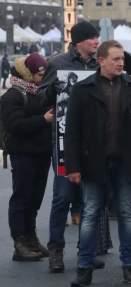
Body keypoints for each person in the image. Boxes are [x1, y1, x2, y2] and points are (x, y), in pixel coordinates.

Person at [65, 40, 131, 287]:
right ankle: (84, 267)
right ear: (101, 61)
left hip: (125, 162)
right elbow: (72, 131)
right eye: (116, 59)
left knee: (125, 212)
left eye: (122, 59)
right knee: (91, 212)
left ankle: (129, 266)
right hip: (93, 162)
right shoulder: (84, 89)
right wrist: (72, 166)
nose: (121, 63)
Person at [37, 20, 101, 273]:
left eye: (97, 37)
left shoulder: (99, 65)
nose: (96, 41)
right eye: (92, 38)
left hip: (94, 141)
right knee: (62, 196)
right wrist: (53, 90)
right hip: (64, 140)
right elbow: (40, 97)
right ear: (78, 42)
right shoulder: (58, 64)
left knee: (90, 198)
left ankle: (88, 250)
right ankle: (56, 250)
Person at [2, 54, 52, 261]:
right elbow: (15, 126)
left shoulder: (41, 93)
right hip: (23, 154)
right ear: (29, 74)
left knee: (35, 198)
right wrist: (43, 120)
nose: (44, 77)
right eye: (40, 74)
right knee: (22, 197)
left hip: (42, 153)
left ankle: (30, 237)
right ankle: (19, 241)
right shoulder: (12, 96)